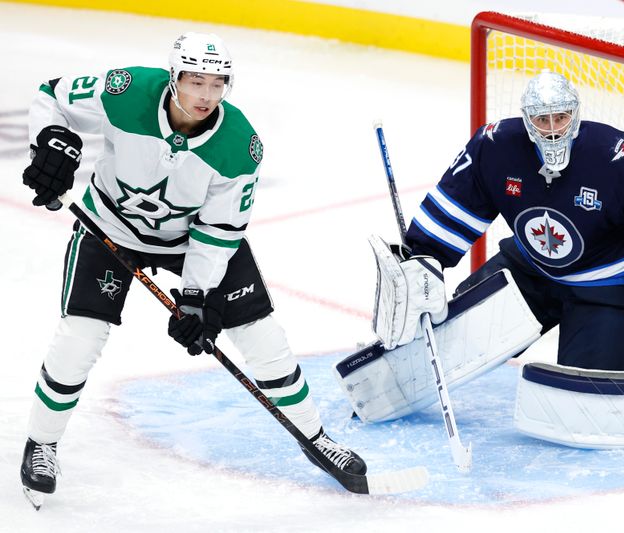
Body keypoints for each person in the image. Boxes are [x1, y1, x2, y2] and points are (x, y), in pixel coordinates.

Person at [19, 32, 365, 509]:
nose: (205, 95)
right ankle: (42, 444)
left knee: (263, 337)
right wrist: (50, 139)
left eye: (217, 83)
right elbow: (50, 96)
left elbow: (220, 230)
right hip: (111, 228)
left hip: (193, 243)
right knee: (80, 337)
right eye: (195, 81)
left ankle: (315, 437)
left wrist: (194, 298)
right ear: (173, 77)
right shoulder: (124, 91)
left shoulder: (239, 146)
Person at [401, 69, 624, 372]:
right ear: (526, 120)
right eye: (541, 120)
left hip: (607, 288)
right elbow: (459, 200)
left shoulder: (614, 156)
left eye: (560, 118)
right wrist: (424, 257)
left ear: (575, 115)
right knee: (451, 344)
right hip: (527, 271)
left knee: (589, 394)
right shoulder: (495, 148)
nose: (553, 130)